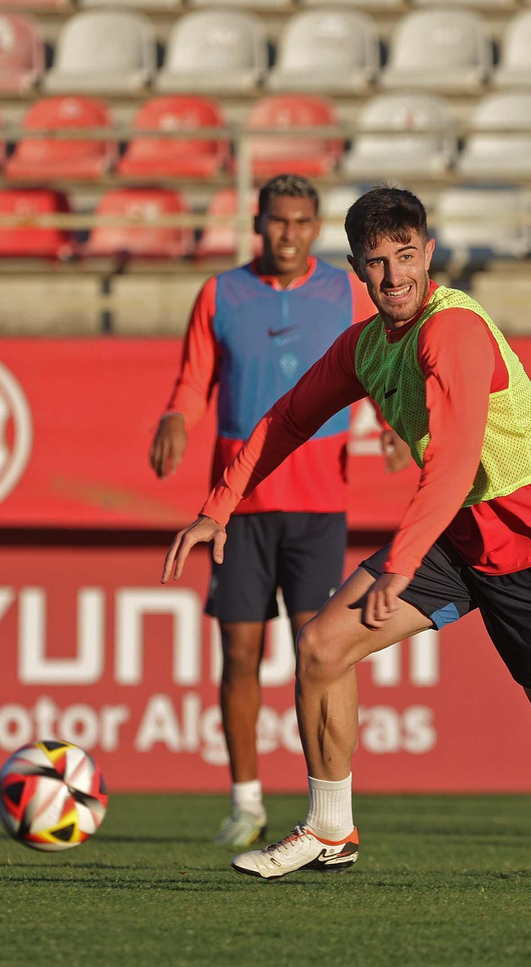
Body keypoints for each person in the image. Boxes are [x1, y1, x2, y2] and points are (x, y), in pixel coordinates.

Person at [164, 186, 531, 889]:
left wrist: (399, 562)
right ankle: (331, 827)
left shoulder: (451, 331)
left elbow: (456, 462)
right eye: (377, 263)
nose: (395, 276)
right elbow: (287, 419)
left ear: (428, 254)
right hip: (455, 540)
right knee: (322, 646)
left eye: (406, 256)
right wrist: (219, 506)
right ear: (357, 270)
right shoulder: (366, 345)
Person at [150, 174, 393, 849]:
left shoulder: (345, 291)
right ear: (257, 224)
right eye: (278, 221)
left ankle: (327, 803)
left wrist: (391, 424)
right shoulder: (220, 293)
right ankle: (245, 800)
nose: (289, 233)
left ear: (316, 228)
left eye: (302, 222)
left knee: (318, 654)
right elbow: (194, 378)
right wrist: (176, 416)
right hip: (241, 503)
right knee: (239, 651)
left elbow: (375, 364)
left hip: (318, 503)